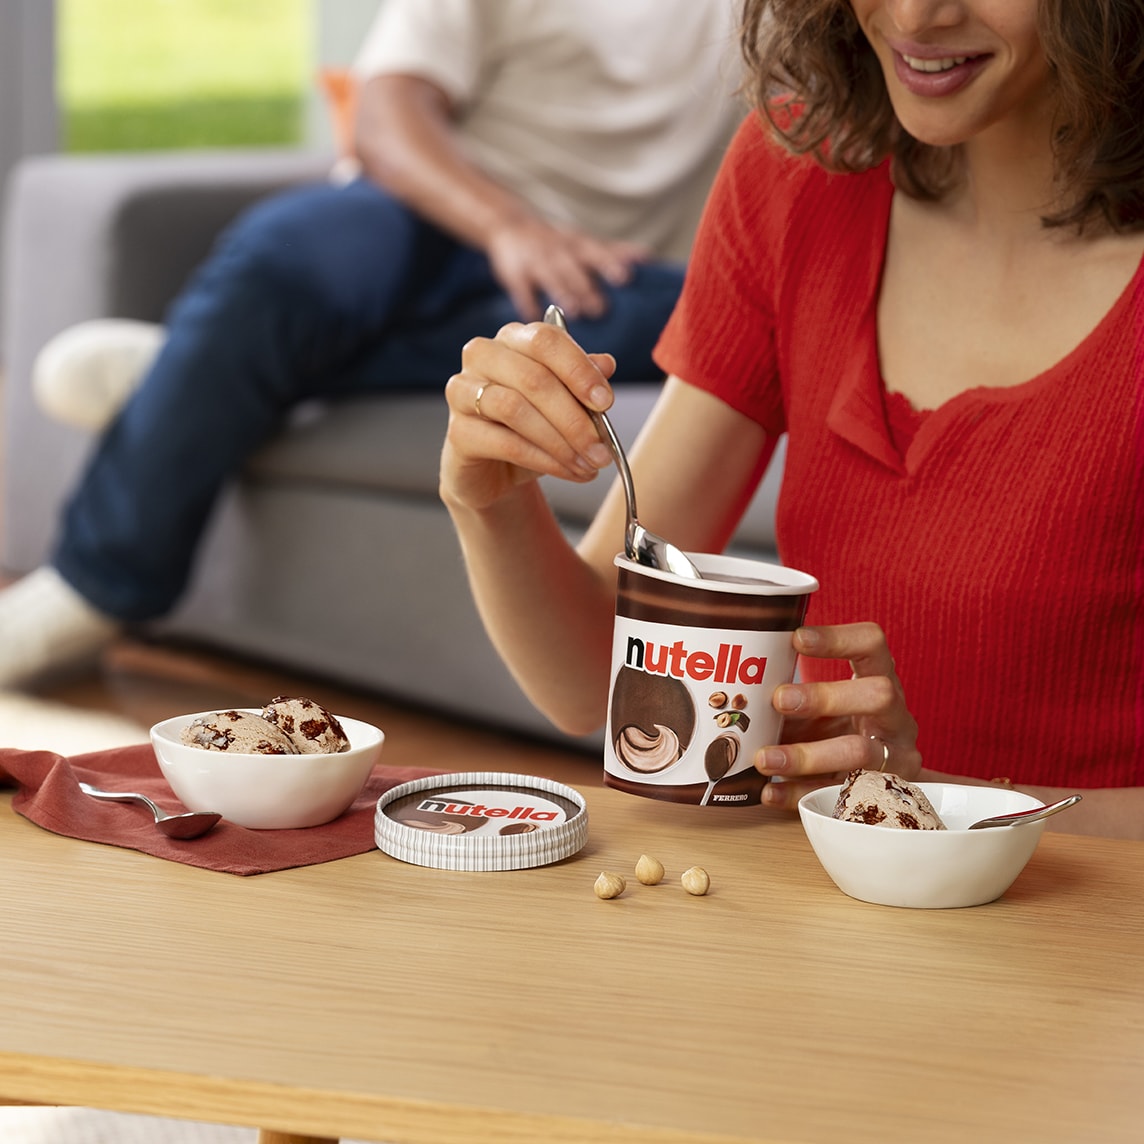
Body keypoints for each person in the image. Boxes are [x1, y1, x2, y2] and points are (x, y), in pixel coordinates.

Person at [439, 0, 1144, 839]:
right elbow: (596, 672)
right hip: (814, 898)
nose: (915, 15)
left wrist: (921, 802)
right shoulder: (801, 168)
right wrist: (490, 503)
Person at [0, 0, 743, 688]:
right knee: (285, 258)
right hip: (432, 214)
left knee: (680, 315)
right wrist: (511, 227)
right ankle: (95, 583)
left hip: (604, 280)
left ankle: (200, 372)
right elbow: (387, 117)